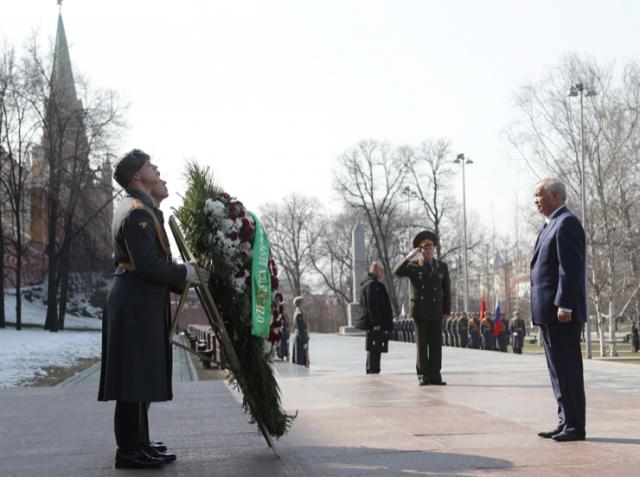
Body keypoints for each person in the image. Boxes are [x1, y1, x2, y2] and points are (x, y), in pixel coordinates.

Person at [98, 149, 209, 469]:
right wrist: (184, 273)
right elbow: (147, 264)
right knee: (133, 377)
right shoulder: (137, 212)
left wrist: (180, 277)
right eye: (150, 166)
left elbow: (147, 263)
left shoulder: (141, 209)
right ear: (136, 176)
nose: (157, 169)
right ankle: (129, 448)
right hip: (136, 299)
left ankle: (139, 441)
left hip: (140, 298)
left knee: (139, 375)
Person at [531, 178, 587, 442]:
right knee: (557, 370)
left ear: (555, 195)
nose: (536, 201)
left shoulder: (567, 223)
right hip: (548, 314)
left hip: (561, 313)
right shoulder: (549, 225)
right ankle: (565, 420)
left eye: (539, 195)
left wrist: (564, 304)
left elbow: (569, 269)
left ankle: (575, 425)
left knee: (568, 369)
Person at [394, 230, 451, 385]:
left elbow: (446, 289)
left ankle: (435, 375)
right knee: (422, 344)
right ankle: (423, 375)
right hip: (420, 311)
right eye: (424, 248)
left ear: (434, 249)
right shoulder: (413, 265)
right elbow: (397, 271)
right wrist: (409, 256)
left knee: (435, 345)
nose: (428, 250)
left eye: (430, 247)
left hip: (435, 310)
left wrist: (446, 311)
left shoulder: (442, 267)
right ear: (420, 250)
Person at [360, 261, 394, 374]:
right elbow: (372, 305)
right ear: (375, 269)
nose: (383, 272)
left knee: (375, 347)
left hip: (375, 323)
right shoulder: (372, 285)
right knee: (374, 347)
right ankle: (373, 369)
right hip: (375, 324)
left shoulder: (371, 283)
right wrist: (376, 323)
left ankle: (373, 368)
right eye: (381, 269)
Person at [291, 296, 310, 367]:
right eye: (302, 302)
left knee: (300, 361)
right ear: (299, 304)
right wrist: (305, 341)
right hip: (300, 339)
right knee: (300, 362)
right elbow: (301, 329)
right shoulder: (298, 314)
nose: (303, 304)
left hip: (300, 338)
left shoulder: (299, 312)